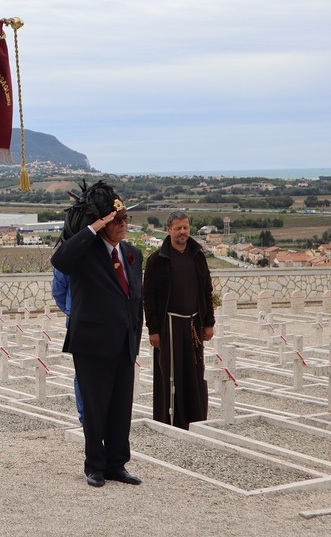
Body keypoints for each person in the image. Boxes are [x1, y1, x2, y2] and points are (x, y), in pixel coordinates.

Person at [51, 180, 144, 488]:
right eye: (116, 219)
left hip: (124, 343)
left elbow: (135, 299)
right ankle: (95, 466)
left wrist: (135, 338)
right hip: (92, 344)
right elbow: (60, 259)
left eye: (125, 218)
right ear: (102, 222)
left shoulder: (132, 254)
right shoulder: (84, 253)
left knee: (121, 407)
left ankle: (117, 464)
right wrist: (94, 227)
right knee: (94, 408)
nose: (122, 224)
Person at [143, 210, 215, 430]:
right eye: (177, 228)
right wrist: (153, 330)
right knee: (170, 374)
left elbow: (206, 290)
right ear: (168, 230)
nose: (182, 232)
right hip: (169, 326)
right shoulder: (157, 260)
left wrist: (209, 322)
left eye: (185, 227)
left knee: (194, 372)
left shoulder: (198, 256)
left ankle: (195, 419)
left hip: (194, 325)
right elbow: (149, 298)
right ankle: (169, 421)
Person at [50, 268, 84, 424]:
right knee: (82, 370)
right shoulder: (69, 258)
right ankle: (85, 416)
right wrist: (71, 310)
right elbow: (58, 291)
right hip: (78, 318)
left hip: (106, 318)